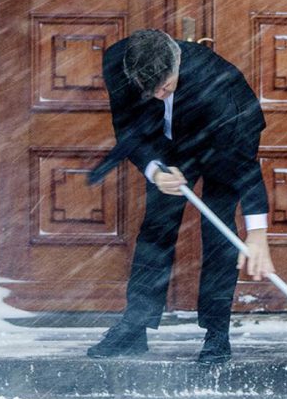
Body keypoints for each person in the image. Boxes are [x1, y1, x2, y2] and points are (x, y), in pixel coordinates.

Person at [86, 28, 274, 363]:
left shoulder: (218, 88)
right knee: (156, 229)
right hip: (167, 145)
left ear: (177, 64)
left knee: (218, 232)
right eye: (149, 90)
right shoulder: (118, 62)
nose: (158, 94)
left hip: (224, 137)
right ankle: (135, 326)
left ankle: (217, 334)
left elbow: (244, 166)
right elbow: (127, 126)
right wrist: (155, 170)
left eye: (166, 86)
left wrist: (258, 233)